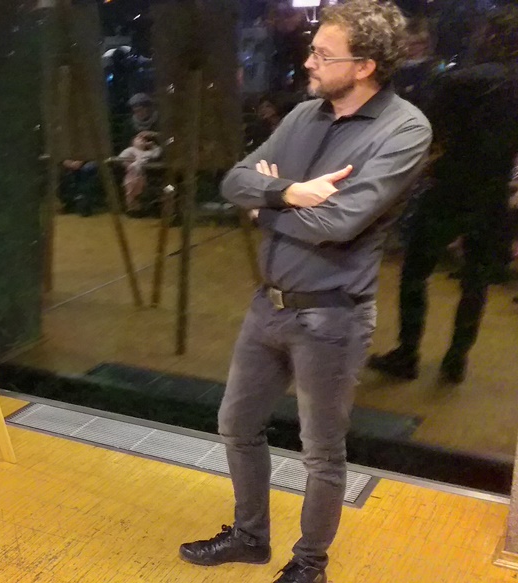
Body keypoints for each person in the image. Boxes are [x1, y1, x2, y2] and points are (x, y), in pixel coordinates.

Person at [178, 3, 431, 583]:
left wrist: (264, 207)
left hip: (332, 318)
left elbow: (341, 222)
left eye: (323, 53)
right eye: (313, 49)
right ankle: (250, 538)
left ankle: (309, 565)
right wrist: (292, 193)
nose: (309, 61)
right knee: (236, 424)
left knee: (321, 452)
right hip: (268, 305)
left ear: (364, 66)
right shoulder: (303, 115)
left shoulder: (404, 129)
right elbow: (234, 180)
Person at [368, 7, 518, 384]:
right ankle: (456, 360)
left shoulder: (460, 82)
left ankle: (408, 353)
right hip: (494, 192)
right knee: (476, 281)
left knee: (415, 270)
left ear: (490, 37)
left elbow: (429, 135)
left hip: (450, 187)